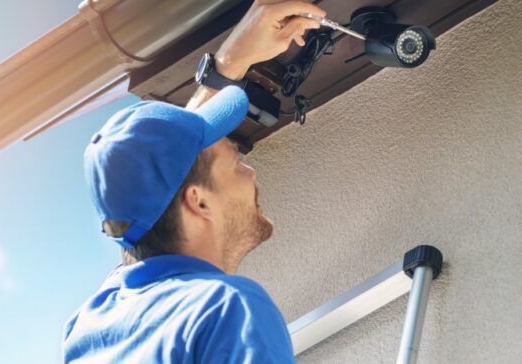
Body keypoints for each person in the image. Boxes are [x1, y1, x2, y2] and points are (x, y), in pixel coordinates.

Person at [62, 1, 326, 362]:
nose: (252, 174)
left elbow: (165, 172)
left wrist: (231, 59)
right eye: (235, 165)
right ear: (198, 201)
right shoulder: (225, 310)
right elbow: (170, 167)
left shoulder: (92, 326)